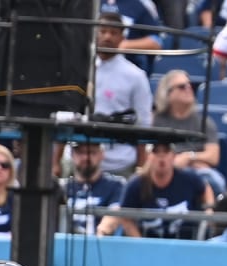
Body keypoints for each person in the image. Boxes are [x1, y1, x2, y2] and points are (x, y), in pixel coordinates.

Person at [100, 141, 213, 240]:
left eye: (166, 152)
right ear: (149, 156)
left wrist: (209, 208)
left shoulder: (189, 178)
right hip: (148, 245)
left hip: (184, 245)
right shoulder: (136, 184)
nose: (161, 157)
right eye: (156, 152)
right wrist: (140, 243)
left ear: (173, 156)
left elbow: (205, 188)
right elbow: (125, 217)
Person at [94, 5, 152, 174]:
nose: (107, 37)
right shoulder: (80, 70)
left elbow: (144, 124)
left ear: (122, 37)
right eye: (103, 31)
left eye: (113, 33)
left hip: (121, 161)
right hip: (81, 157)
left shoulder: (136, 76)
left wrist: (141, 168)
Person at [60, 141, 126, 236]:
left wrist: (101, 233)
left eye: (92, 152)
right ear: (72, 155)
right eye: (80, 153)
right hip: (64, 243)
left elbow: (115, 212)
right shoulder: (63, 187)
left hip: (100, 244)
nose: (86, 157)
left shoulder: (116, 185)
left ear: (102, 154)